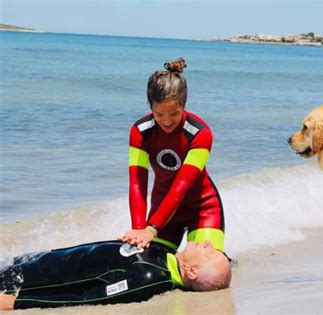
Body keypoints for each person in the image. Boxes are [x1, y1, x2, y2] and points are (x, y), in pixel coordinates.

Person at [120, 57, 226, 253]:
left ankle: (226, 261)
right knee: (150, 263)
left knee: (204, 271)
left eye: (174, 114)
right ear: (150, 106)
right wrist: (138, 228)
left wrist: (151, 229)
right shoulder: (140, 131)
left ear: (184, 105)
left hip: (203, 209)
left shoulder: (199, 133)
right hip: (163, 213)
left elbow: (182, 186)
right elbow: (137, 184)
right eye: (159, 114)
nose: (167, 121)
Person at [0, 240, 231, 310]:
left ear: (191, 272)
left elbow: (89, 298)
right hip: (48, 257)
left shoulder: (147, 279)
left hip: (32, 279)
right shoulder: (170, 258)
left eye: (208, 252)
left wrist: (16, 303)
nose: (208, 243)